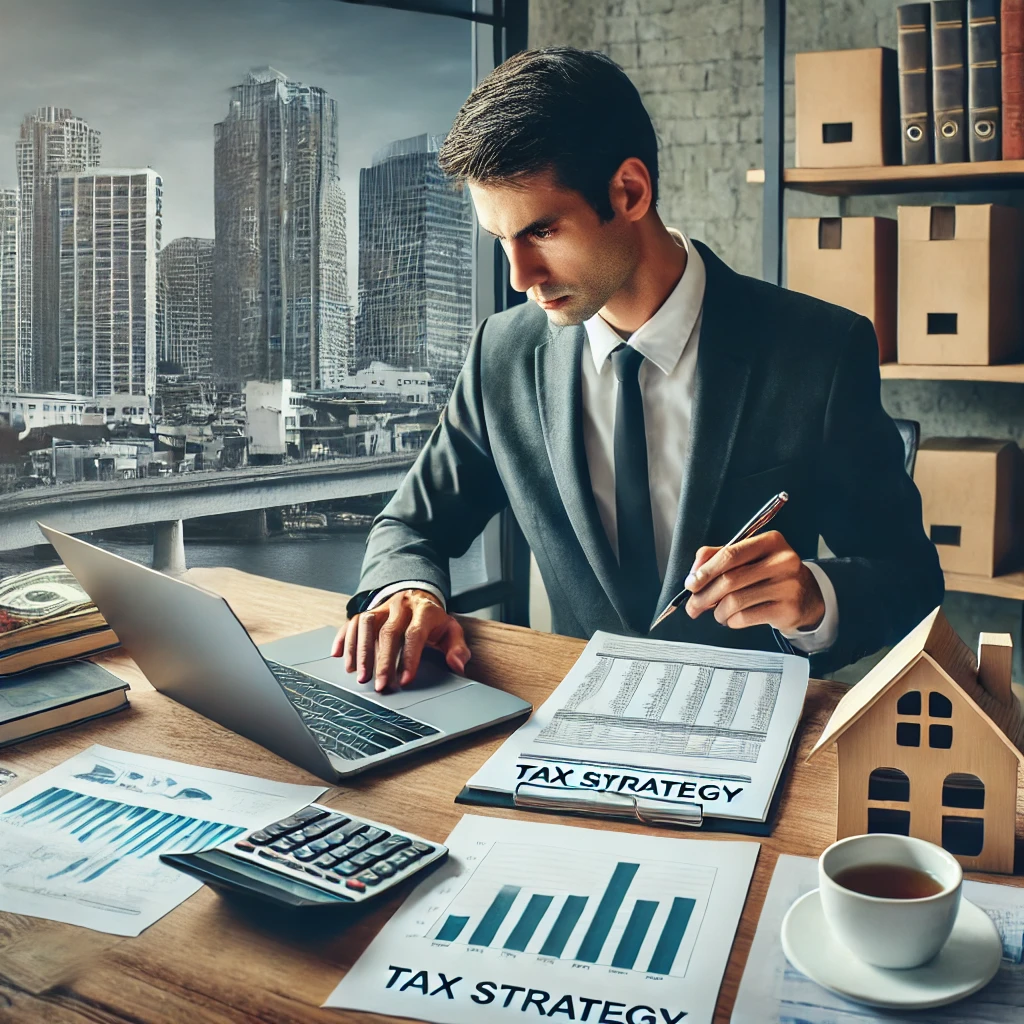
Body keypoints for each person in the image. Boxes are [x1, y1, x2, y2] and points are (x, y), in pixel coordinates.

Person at [332, 47, 943, 693]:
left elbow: (909, 577)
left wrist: (813, 597)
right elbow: (410, 524)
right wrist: (408, 594)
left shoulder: (818, 350)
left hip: (756, 728)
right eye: (501, 241)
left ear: (628, 191)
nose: (519, 278)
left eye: (541, 232)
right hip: (574, 729)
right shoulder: (502, 354)